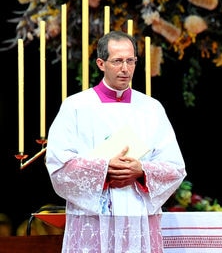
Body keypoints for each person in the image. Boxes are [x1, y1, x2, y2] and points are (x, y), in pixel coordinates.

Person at [46, 31, 187, 253]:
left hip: (138, 216)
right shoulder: (76, 106)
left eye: (131, 61)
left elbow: (175, 167)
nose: (125, 68)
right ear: (101, 63)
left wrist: (141, 170)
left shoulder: (151, 108)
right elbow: (58, 164)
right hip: (93, 218)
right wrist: (104, 169)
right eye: (118, 61)